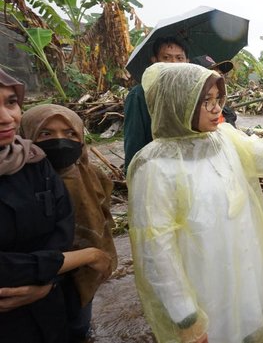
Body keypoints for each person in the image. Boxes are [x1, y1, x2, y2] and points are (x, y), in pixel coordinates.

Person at [126, 62, 263, 343]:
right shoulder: (155, 167)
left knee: (242, 328)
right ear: (178, 103)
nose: (216, 108)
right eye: (205, 101)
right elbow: (157, 251)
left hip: (240, 268)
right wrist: (185, 316)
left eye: (218, 99)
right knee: (215, 333)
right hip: (201, 281)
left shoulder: (223, 138)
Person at [0, 69, 112, 343]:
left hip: (52, 299)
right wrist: (73, 263)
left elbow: (62, 229)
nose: (5, 117)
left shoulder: (34, 164)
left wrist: (48, 281)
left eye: (11, 102)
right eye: (46, 132)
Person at [20, 104, 118, 342]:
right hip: (34, 281)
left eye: (70, 133)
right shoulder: (17, 183)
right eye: (46, 134)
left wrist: (99, 256)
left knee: (79, 324)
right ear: (26, 136)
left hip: (83, 273)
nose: (60, 141)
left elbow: (103, 219)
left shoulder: (91, 174)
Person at [123, 36, 189, 173]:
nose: (173, 63)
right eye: (166, 57)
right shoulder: (140, 94)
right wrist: (134, 175)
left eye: (179, 58)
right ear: (154, 60)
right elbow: (134, 141)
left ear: (188, 61)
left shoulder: (192, 92)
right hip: (154, 170)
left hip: (186, 168)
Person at [190, 54, 238, 127]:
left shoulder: (221, 108)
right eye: (207, 99)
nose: (219, 79)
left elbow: (230, 115)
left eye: (220, 74)